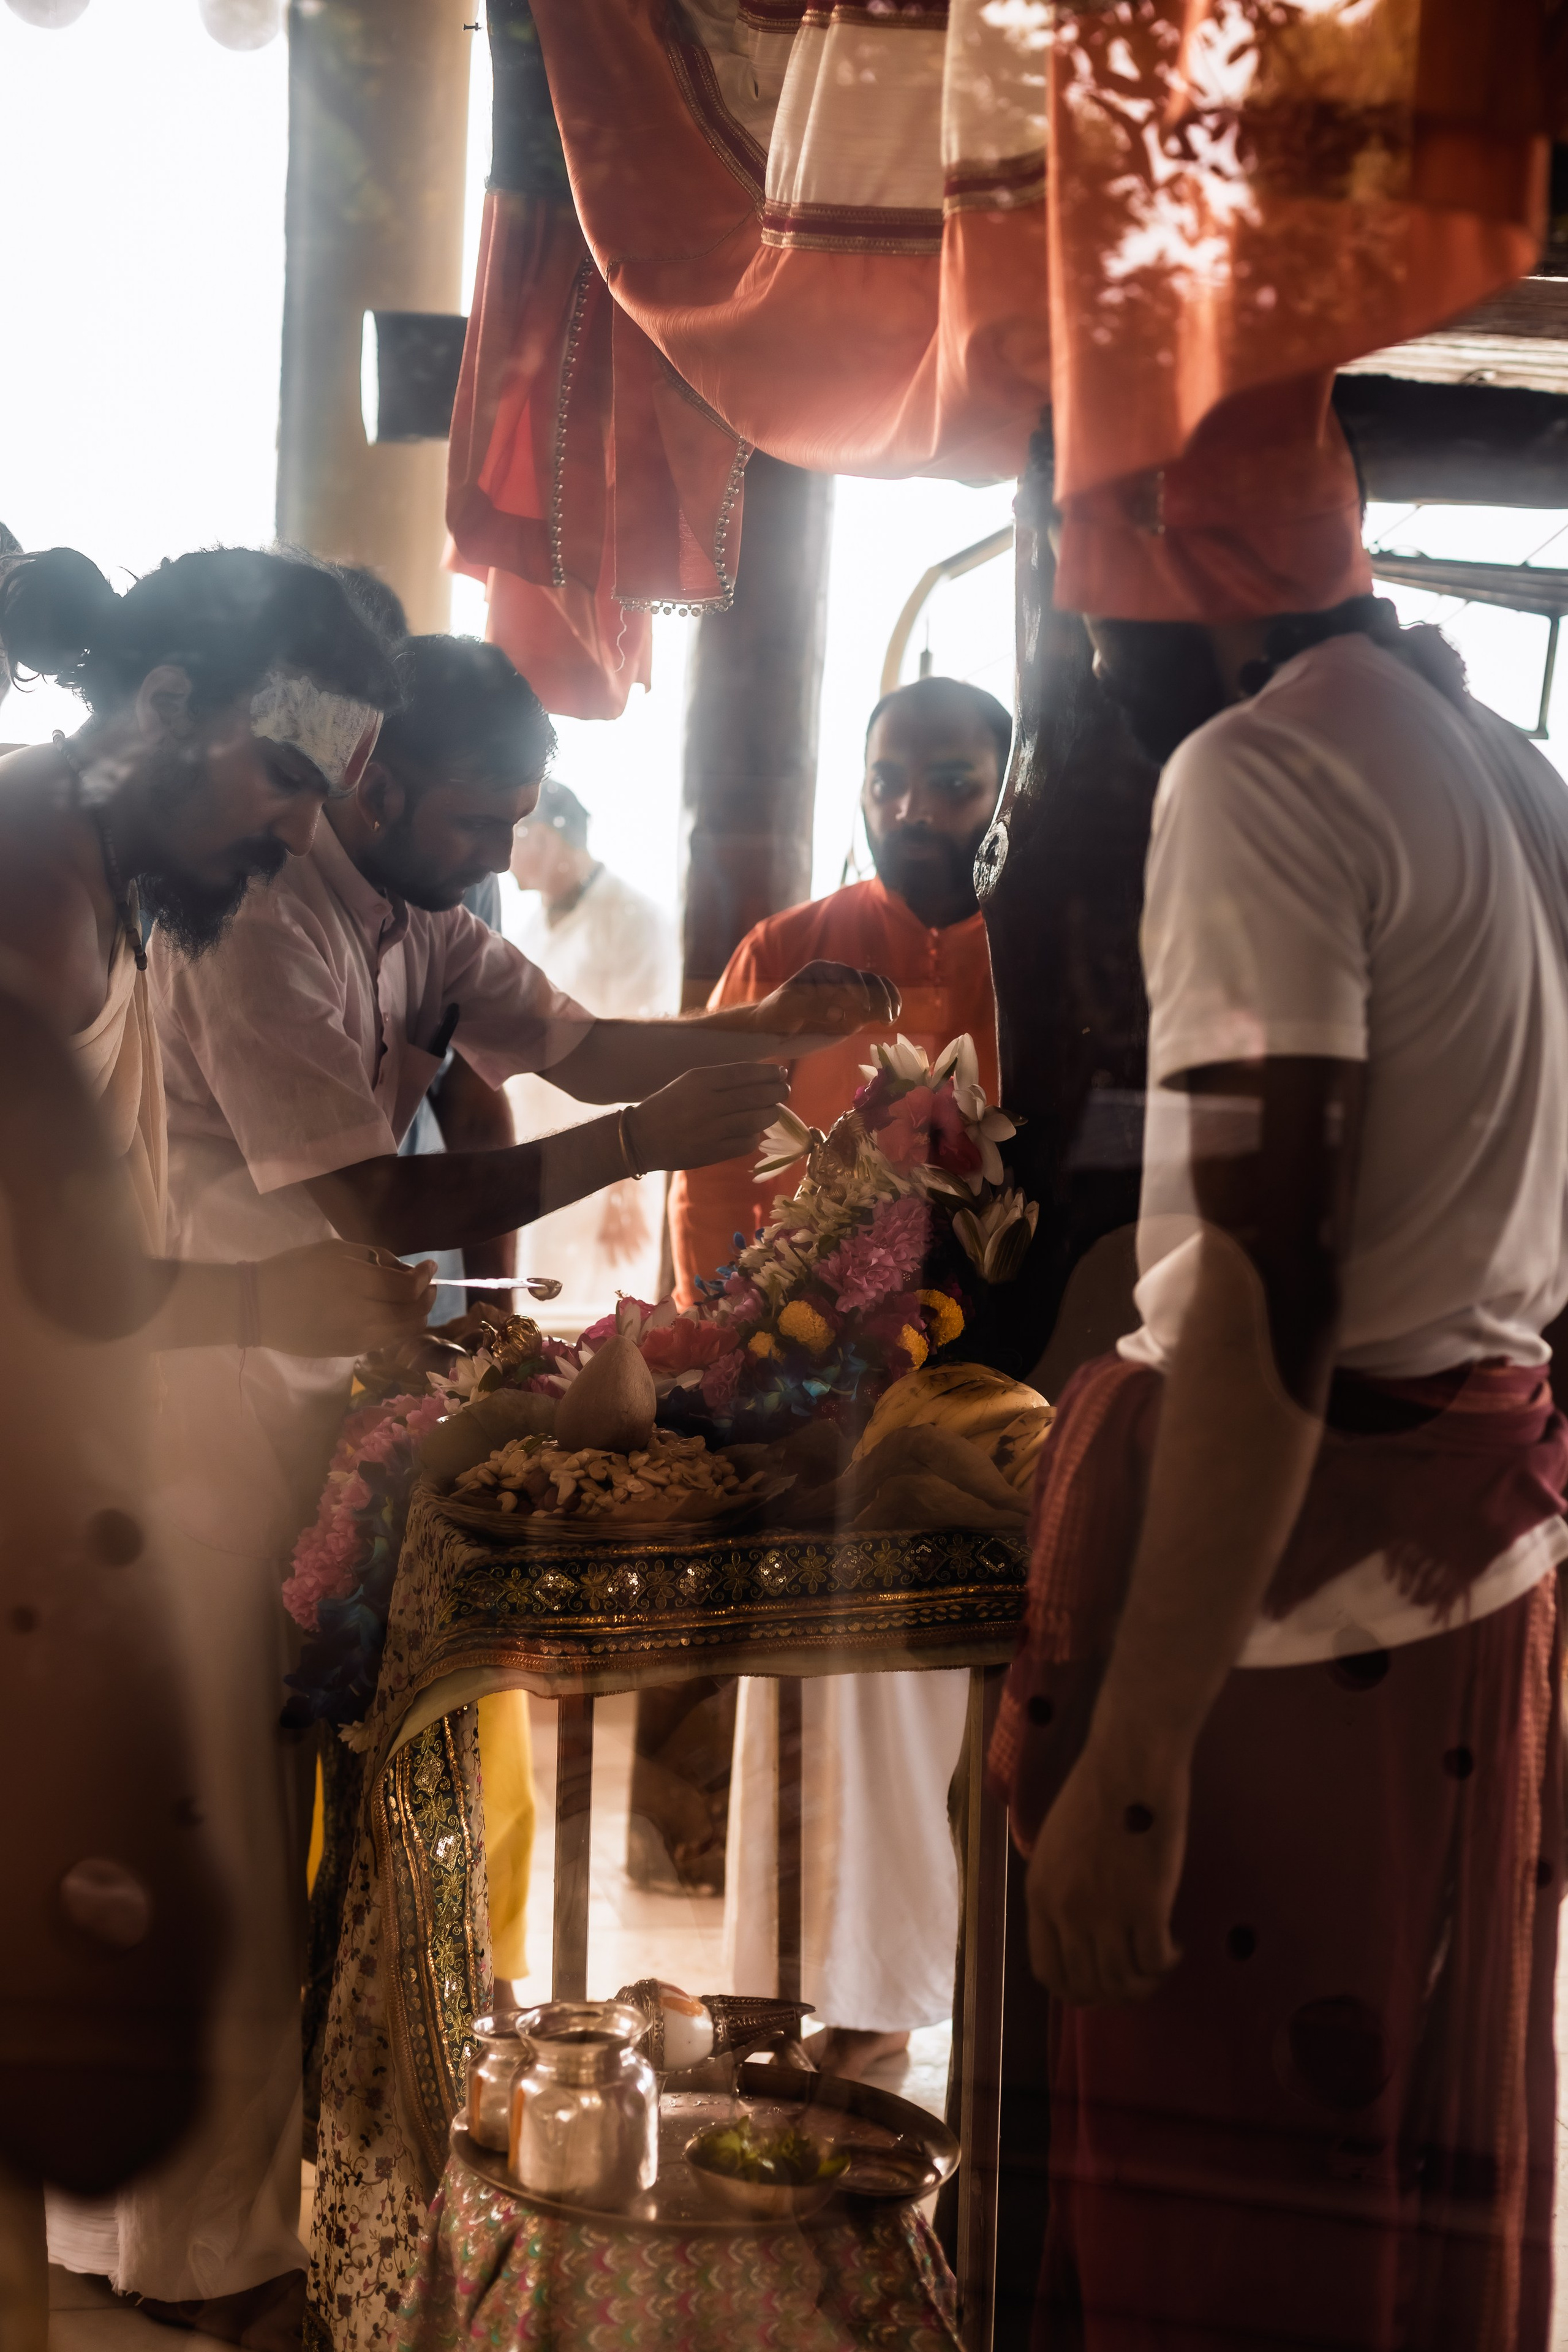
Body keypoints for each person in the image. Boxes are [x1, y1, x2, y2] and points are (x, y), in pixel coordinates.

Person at [994, 409, 1568, 2346]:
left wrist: (1135, 1760)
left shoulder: (1259, 771)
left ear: (1180, 588)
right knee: (1397, 2170)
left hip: (1290, 1608)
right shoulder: (1498, 762)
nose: (1086, 663)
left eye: (1093, 615)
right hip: (1456, 1557)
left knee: (1230, 2220)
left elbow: (1267, 1279)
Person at [0, 544, 434, 2348]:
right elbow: (74, 1286)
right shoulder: (28, 889)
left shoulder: (99, 872)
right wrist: (279, 1310)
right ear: (164, 711)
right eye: (277, 777)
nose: (285, 834)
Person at [710, 675, 1011, 2076]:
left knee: (907, 1700)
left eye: (950, 779)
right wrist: (736, 1371)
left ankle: (880, 2013)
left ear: (1008, 790)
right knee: (791, 1694)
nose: (912, 808)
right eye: (886, 777)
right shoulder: (791, 951)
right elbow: (711, 1188)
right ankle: (777, 1992)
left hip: (977, 1413)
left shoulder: (1046, 959)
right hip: (796, 1396)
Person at [504, 777, 678, 1330]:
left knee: (602, 1324)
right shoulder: (532, 924)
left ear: (547, 837)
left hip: (611, 1160)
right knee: (536, 1319)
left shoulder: (634, 920)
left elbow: (648, 1056)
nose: (502, 859)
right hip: (535, 1146)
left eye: (511, 835)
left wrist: (629, 1185)